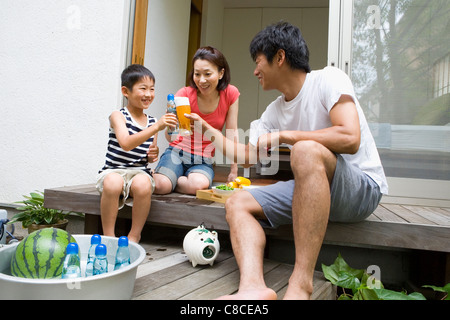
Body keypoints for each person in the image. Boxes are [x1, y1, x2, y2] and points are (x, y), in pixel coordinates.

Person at [186, 22, 388, 299]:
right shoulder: (273, 111)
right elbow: (247, 154)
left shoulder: (329, 79)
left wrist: (286, 136)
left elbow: (350, 137)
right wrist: (209, 131)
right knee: (237, 203)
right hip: (314, 188)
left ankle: (300, 284)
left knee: (305, 150)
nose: (255, 71)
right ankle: (252, 288)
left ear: (279, 58)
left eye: (258, 62)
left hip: (360, 189)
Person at [96, 64, 177, 243]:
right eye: (143, 89)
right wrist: (156, 127)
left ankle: (134, 235)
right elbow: (125, 143)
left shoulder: (152, 122)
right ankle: (108, 235)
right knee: (113, 182)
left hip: (138, 172)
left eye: (152, 89)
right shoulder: (118, 116)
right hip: (114, 170)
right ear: (126, 91)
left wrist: (152, 154)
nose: (148, 94)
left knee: (143, 184)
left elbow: (149, 156)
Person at [153, 46, 240, 195]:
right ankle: (165, 179)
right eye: (197, 74)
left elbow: (232, 132)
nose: (202, 80)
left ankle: (172, 178)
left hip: (204, 159)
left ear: (221, 73)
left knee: (197, 186)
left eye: (207, 74)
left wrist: (234, 169)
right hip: (176, 152)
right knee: (161, 186)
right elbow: (169, 138)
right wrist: (171, 125)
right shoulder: (184, 94)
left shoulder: (230, 94)